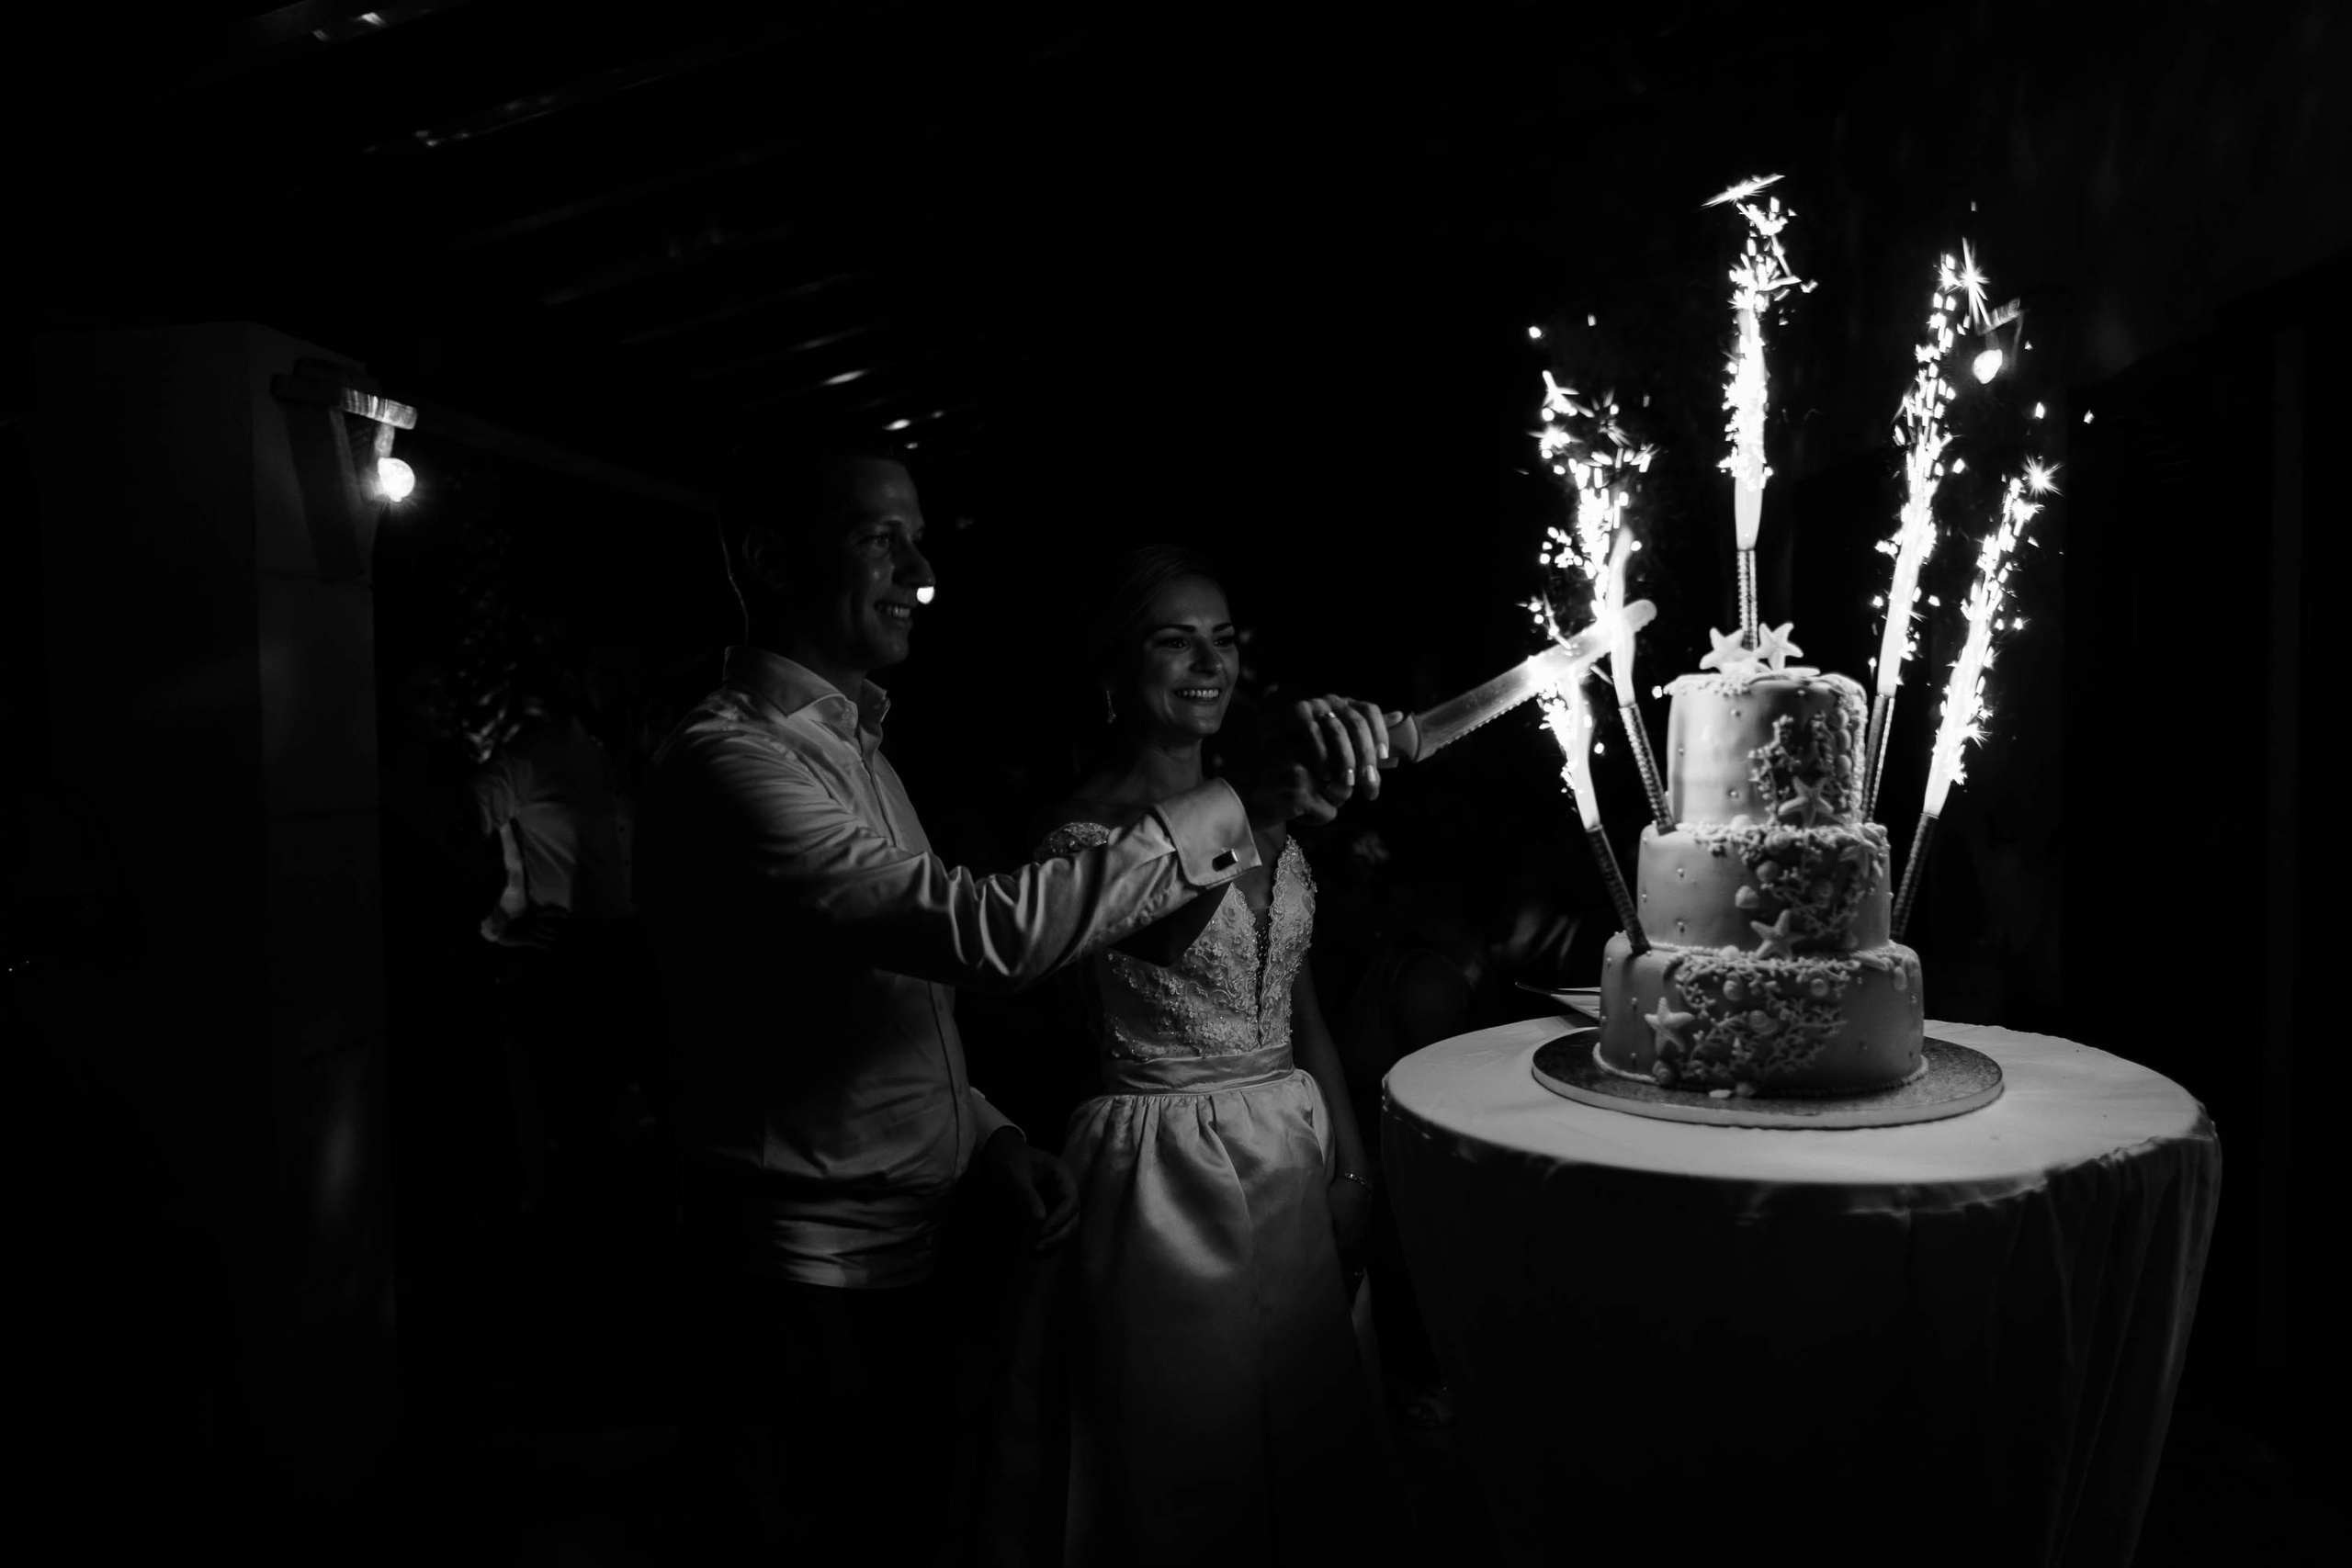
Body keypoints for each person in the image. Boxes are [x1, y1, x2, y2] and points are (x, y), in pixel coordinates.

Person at [633, 446, 1382, 1564]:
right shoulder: (731, 763)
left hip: (915, 1233)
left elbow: (891, 994)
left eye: (919, 535)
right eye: (876, 535)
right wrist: (1242, 809)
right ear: (767, 558)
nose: (916, 566)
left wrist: (984, 1135)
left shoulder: (862, 751)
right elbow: (988, 937)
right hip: (800, 1264)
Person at [1032, 545, 1402, 1566]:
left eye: (1223, 639)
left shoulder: (1269, 813)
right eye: (1173, 638)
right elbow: (1162, 937)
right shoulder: (1081, 835)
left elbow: (1301, 1004)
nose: (1208, 662)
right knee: (1189, 1461)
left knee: (1314, 1444)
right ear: (1114, 668)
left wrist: (1354, 1167)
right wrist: (1260, 807)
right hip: (1163, 1170)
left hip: (1294, 1139)